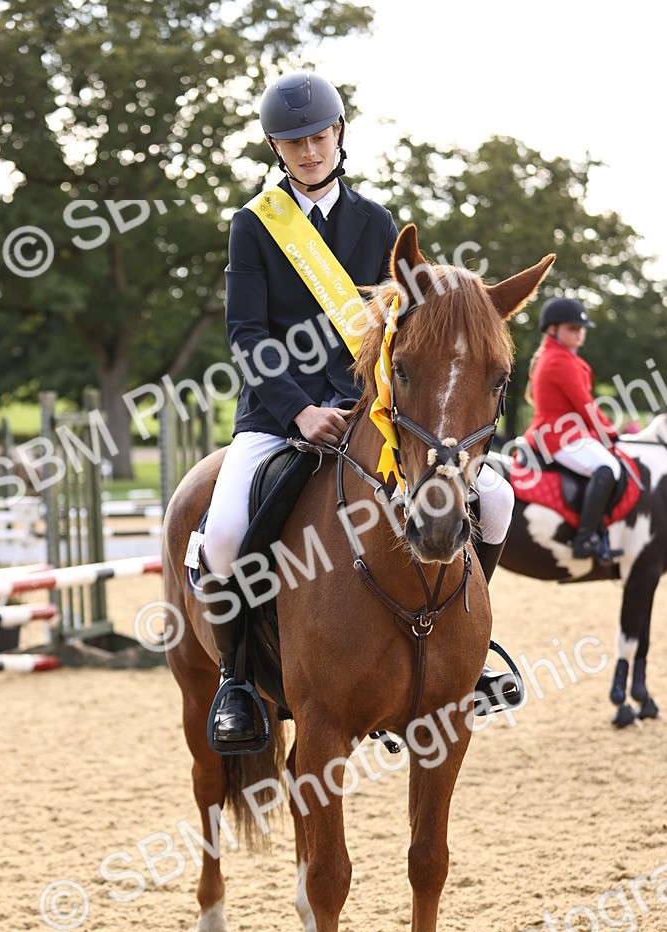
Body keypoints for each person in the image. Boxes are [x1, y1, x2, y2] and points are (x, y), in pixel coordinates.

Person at [203, 69, 518, 746]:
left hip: (369, 411)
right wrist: (297, 411)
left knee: (495, 500)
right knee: (224, 534)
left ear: (339, 134)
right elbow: (247, 334)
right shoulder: (254, 226)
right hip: (277, 416)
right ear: (275, 146)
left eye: (318, 136)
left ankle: (471, 653)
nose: (309, 150)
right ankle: (237, 681)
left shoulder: (376, 222)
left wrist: (372, 403)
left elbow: (400, 328)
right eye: (294, 141)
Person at [524, 296, 622, 564]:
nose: (580, 334)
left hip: (565, 432)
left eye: (582, 329)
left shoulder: (556, 356)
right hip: (559, 437)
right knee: (607, 468)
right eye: (573, 328)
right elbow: (585, 405)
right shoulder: (559, 361)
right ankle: (584, 539)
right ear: (552, 329)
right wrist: (610, 433)